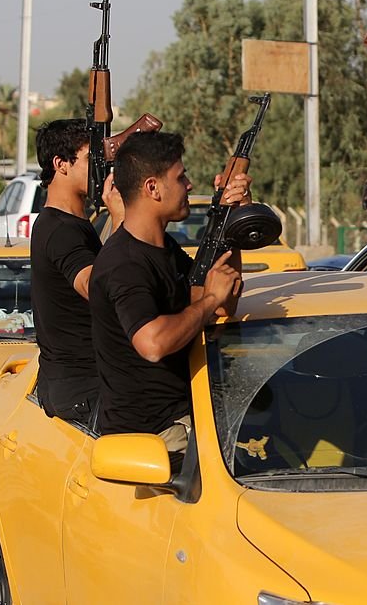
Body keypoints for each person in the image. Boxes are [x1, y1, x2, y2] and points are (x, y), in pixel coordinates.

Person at [89, 131, 249, 458]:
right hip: (156, 439)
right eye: (180, 176)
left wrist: (232, 219)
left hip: (190, 418)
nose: (189, 185)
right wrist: (208, 301)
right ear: (152, 187)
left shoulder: (163, 249)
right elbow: (152, 343)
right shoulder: (123, 263)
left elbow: (224, 301)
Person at [30, 119, 105, 423]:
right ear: (61, 164)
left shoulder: (72, 224)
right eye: (91, 160)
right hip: (84, 391)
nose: (100, 170)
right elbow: (95, 287)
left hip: (81, 386)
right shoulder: (61, 230)